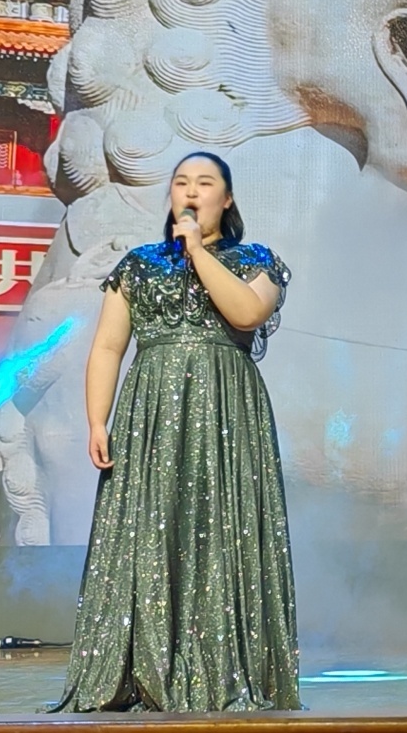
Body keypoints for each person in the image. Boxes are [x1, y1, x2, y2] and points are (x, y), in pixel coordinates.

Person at [52, 152, 300, 712]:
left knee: (222, 530)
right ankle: (145, 668)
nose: (191, 191)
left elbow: (246, 314)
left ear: (226, 199)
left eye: (205, 183)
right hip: (152, 413)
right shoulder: (139, 266)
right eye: (181, 182)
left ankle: (224, 667)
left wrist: (196, 251)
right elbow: (108, 346)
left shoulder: (257, 260)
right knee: (150, 530)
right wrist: (97, 420)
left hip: (226, 414)